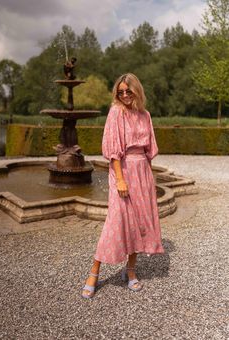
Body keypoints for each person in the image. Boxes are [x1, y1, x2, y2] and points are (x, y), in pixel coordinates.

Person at [82, 73, 164, 299]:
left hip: (142, 171)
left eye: (129, 91)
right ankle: (94, 272)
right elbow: (113, 151)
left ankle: (130, 270)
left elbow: (149, 151)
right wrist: (119, 179)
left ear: (137, 90)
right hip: (123, 170)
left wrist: (148, 180)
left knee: (138, 222)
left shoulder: (145, 115)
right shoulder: (116, 112)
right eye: (121, 92)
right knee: (115, 221)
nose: (125, 95)